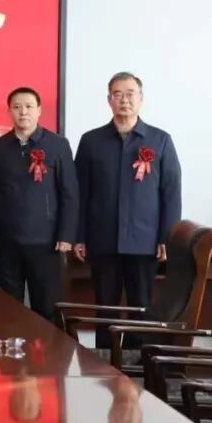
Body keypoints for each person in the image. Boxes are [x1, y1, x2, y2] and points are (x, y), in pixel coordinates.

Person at [74, 72, 182, 320]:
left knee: (141, 307)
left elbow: (171, 193)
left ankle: (138, 348)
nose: (124, 100)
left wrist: (166, 237)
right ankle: (103, 347)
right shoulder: (91, 141)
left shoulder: (160, 140)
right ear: (109, 100)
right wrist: (79, 236)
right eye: (118, 94)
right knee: (105, 308)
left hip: (144, 242)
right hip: (102, 240)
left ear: (141, 98)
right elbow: (80, 192)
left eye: (130, 94)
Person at [0, 87, 78, 320]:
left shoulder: (57, 144)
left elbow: (69, 193)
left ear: (39, 111)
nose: (23, 112)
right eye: (17, 107)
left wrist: (66, 235)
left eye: (28, 107)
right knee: (7, 309)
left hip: (46, 244)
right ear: (9, 111)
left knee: (47, 309)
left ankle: (47, 347)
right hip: (7, 242)